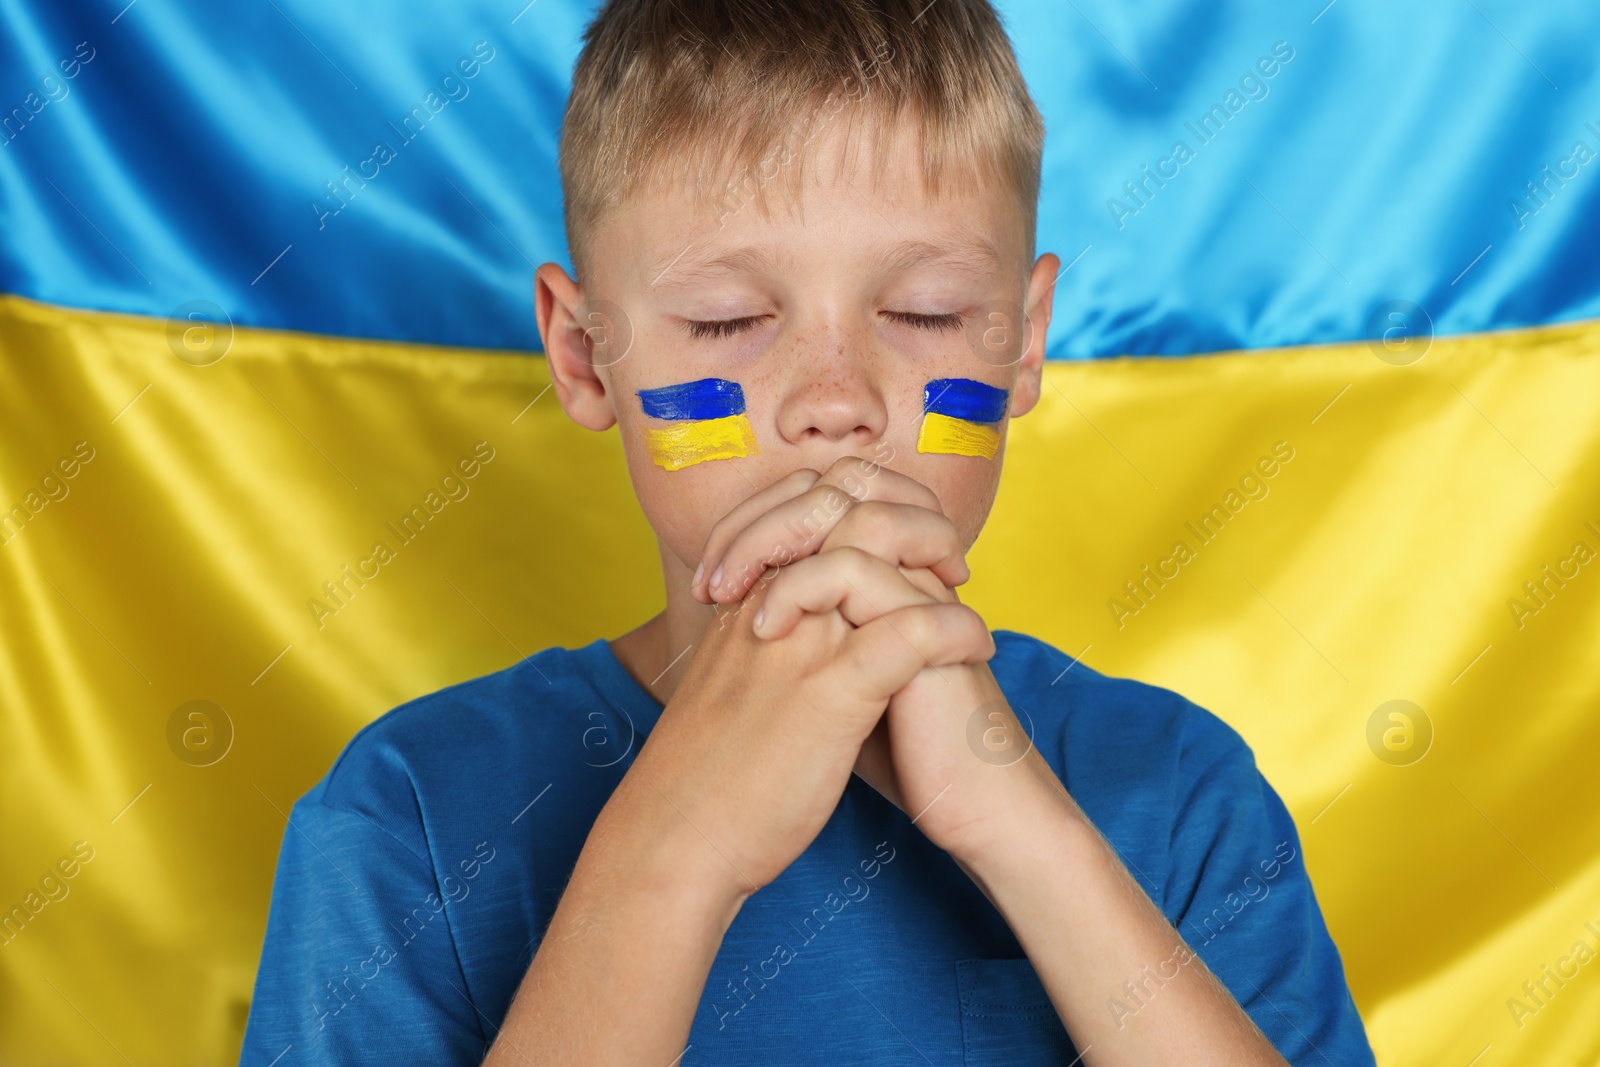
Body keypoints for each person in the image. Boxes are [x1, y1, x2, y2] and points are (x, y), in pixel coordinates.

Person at [239, 1, 1376, 1063]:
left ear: (1023, 343)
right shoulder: (407, 815)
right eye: (727, 318)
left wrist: (1019, 830)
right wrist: (669, 857)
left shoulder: (1176, 788)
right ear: (585, 353)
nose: (838, 398)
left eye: (925, 311)